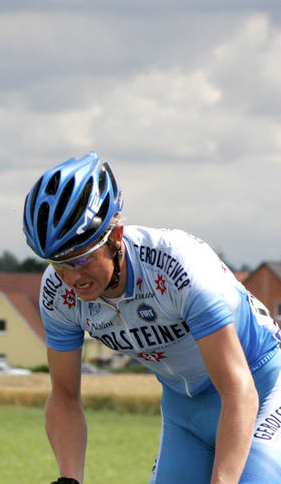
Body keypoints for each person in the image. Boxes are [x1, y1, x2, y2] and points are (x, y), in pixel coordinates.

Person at [22, 152, 281, 484]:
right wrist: (69, 480)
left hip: (260, 389)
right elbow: (64, 396)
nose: (70, 277)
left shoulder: (178, 267)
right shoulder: (57, 294)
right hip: (183, 410)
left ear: (115, 237)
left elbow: (237, 387)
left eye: (80, 259)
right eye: (57, 262)